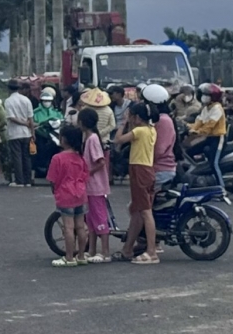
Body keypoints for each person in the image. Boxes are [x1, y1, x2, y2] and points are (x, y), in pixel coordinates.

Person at [115, 103, 159, 264]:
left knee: (146, 212)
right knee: (137, 211)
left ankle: (152, 252)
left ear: (138, 117)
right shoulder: (151, 130)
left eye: (132, 116)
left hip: (139, 170)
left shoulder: (139, 131)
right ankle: (128, 248)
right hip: (145, 170)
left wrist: (123, 123)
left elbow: (118, 139)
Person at [47, 125, 90, 267]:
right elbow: (85, 175)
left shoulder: (57, 158)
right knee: (81, 226)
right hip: (80, 194)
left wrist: (55, 190)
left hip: (65, 194)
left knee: (68, 227)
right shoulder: (80, 157)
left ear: (63, 139)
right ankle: (82, 255)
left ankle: (69, 257)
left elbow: (52, 179)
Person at [77, 109, 111, 262]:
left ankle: (105, 252)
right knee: (90, 219)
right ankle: (92, 251)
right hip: (90, 187)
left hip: (96, 186)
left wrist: (88, 172)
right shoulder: (89, 138)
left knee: (99, 218)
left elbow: (101, 161)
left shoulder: (93, 139)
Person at [186, 83, 227, 185]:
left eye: (206, 95)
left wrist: (197, 132)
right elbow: (199, 122)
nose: (204, 97)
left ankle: (222, 189)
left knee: (214, 164)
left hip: (218, 138)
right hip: (209, 138)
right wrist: (188, 126)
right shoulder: (206, 108)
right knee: (190, 152)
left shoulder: (217, 108)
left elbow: (209, 125)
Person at [144, 85, 178, 190]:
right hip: (157, 170)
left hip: (161, 170)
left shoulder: (163, 121)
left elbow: (159, 149)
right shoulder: (159, 120)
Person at [4, 80, 35, 187]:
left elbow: (11, 118)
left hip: (14, 133)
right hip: (26, 133)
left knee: (17, 157)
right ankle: (28, 180)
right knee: (26, 157)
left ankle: (19, 180)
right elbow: (31, 117)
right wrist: (32, 131)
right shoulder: (26, 100)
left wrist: (24, 123)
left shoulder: (8, 101)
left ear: (9, 89)